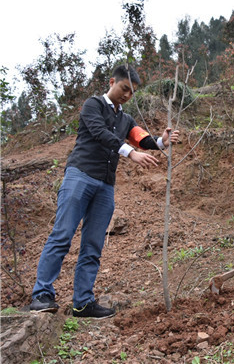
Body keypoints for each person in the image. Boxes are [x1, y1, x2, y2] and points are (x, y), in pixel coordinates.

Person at [29, 64, 180, 319]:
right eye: (124, 89)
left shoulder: (125, 119)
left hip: (105, 186)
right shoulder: (92, 105)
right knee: (62, 235)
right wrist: (130, 152)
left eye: (132, 93)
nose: (127, 96)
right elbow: (99, 133)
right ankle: (42, 294)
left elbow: (143, 139)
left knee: (93, 245)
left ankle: (83, 303)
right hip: (80, 175)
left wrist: (162, 141)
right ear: (112, 82)